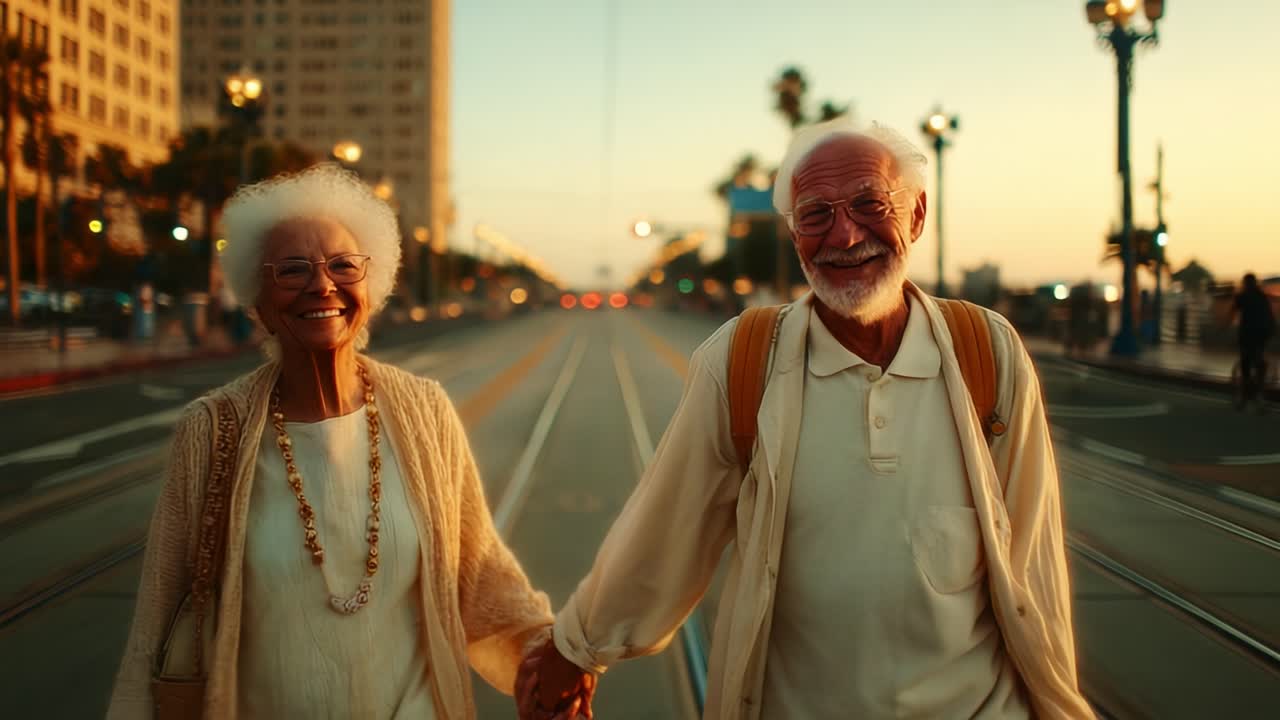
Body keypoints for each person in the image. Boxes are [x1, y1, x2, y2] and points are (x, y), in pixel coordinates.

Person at [517, 119, 1094, 719]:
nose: (844, 235)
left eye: (870, 204)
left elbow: (1034, 563)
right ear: (795, 236)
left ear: (917, 216)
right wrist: (575, 649)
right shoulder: (741, 362)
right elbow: (667, 523)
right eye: (816, 214)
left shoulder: (989, 352)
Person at [107, 164, 560, 719]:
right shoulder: (212, 428)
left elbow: (479, 568)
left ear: (371, 285)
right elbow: (156, 620)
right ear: (258, 299)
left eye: (343, 265)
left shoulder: (425, 411)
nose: (322, 285)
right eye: (293, 269)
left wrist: (549, 654)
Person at [1232, 273, 1276, 411]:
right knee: (1259, 362)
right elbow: (1270, 316)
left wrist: (1222, 327)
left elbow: (1232, 312)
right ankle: (1259, 396)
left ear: (1245, 283)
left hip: (1248, 335)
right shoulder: (1262, 296)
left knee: (1246, 364)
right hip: (1261, 334)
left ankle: (1245, 398)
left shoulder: (1242, 296)